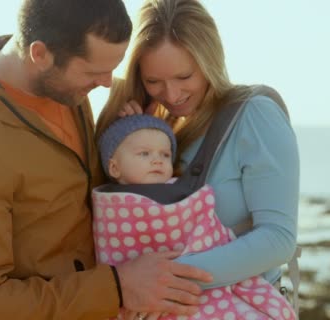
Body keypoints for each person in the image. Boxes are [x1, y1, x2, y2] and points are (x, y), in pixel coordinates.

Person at [0, 0, 212, 319]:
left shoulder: (65, 89)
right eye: (94, 71)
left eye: (112, 68)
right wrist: (117, 287)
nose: (107, 83)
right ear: (40, 54)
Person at [96, 0, 300, 318]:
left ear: (209, 61)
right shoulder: (160, 129)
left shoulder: (254, 114)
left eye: (184, 76)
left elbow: (278, 239)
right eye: (153, 81)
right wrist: (131, 136)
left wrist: (162, 280)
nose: (172, 94)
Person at [94, 115, 296, 319]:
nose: (157, 160)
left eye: (165, 155)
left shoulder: (182, 194)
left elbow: (205, 229)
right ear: (114, 168)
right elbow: (111, 249)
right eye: (144, 153)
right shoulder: (107, 203)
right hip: (136, 290)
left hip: (190, 285)